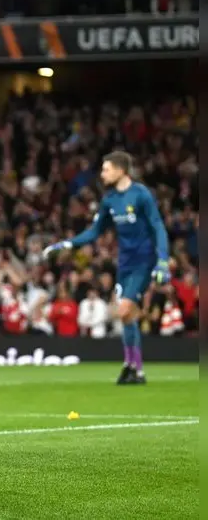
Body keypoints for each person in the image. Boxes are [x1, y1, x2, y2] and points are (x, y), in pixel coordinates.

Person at [44, 151, 169, 385]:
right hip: (124, 263)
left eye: (106, 169)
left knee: (123, 310)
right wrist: (67, 243)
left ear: (121, 170)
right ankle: (135, 369)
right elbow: (95, 231)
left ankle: (131, 366)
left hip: (144, 262)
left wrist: (162, 261)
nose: (102, 174)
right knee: (128, 317)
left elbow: (158, 227)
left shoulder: (141, 195)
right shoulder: (109, 200)